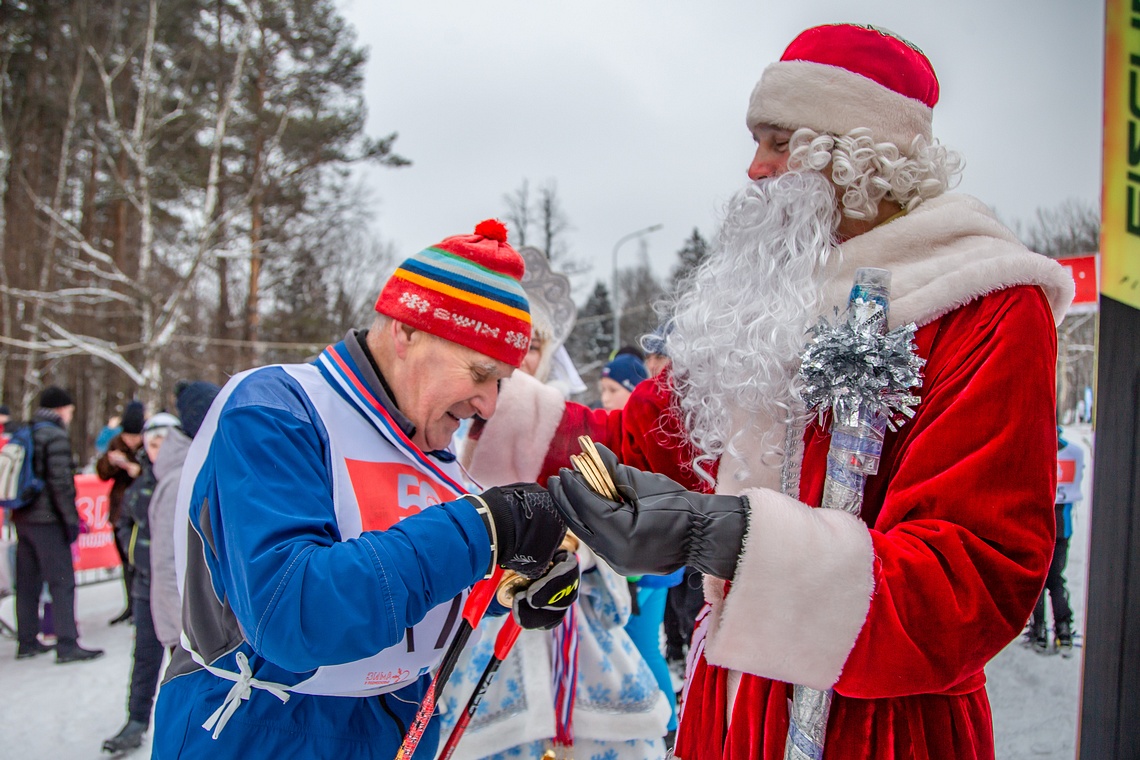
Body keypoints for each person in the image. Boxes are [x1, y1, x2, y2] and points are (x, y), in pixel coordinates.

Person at [480, 24, 1075, 759]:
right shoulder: (765, 306)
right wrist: (476, 404)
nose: (755, 169)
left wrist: (723, 536)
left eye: (778, 140)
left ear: (858, 154)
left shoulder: (983, 300)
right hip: (729, 707)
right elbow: (635, 444)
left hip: (877, 728)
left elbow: (975, 578)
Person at [152, 220, 574, 760]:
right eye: (480, 372)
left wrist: (510, 580)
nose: (489, 404)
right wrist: (481, 529)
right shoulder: (278, 408)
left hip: (396, 723)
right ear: (406, 332)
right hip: (263, 727)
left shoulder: (430, 441)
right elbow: (294, 613)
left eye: (502, 382)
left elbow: (413, 583)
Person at [447, 247, 670, 760]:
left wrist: (577, 547)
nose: (521, 358)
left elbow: (608, 515)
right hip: (486, 627)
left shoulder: (568, 424)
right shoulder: (456, 426)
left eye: (532, 345)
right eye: (511, 344)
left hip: (577, 626)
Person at [103, 411, 181, 753]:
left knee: (184, 657)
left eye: (162, 442)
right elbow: (128, 519)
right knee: (145, 654)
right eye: (151, 443)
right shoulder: (144, 478)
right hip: (146, 580)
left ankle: (185, 721)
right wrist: (133, 552)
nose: (155, 449)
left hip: (179, 587)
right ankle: (136, 719)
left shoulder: (181, 476)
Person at [12, 386, 104, 663]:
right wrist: (71, 522)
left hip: (23, 517)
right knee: (62, 582)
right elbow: (61, 485)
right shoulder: (55, 436)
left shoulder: (26, 431)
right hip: (49, 520)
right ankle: (67, 644)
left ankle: (27, 641)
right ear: (61, 409)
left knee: (27, 582)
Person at [148, 381, 220, 655]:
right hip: (189, 629)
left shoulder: (200, 463)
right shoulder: (181, 479)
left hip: (202, 624)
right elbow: (167, 561)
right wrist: (183, 629)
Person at [1027, 427, 1086, 657]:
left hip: (1041, 524)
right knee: (1056, 580)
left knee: (1040, 581)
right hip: (1062, 525)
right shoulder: (1073, 452)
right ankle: (1063, 630)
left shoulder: (1037, 450)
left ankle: (1039, 630)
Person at [96, 399, 145, 625]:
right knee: (125, 562)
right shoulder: (116, 443)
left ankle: (141, 604)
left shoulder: (148, 445)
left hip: (142, 513)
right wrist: (112, 462)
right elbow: (103, 474)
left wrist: (135, 469)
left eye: (135, 437)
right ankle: (130, 605)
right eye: (128, 436)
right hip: (120, 511)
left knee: (140, 561)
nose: (131, 441)